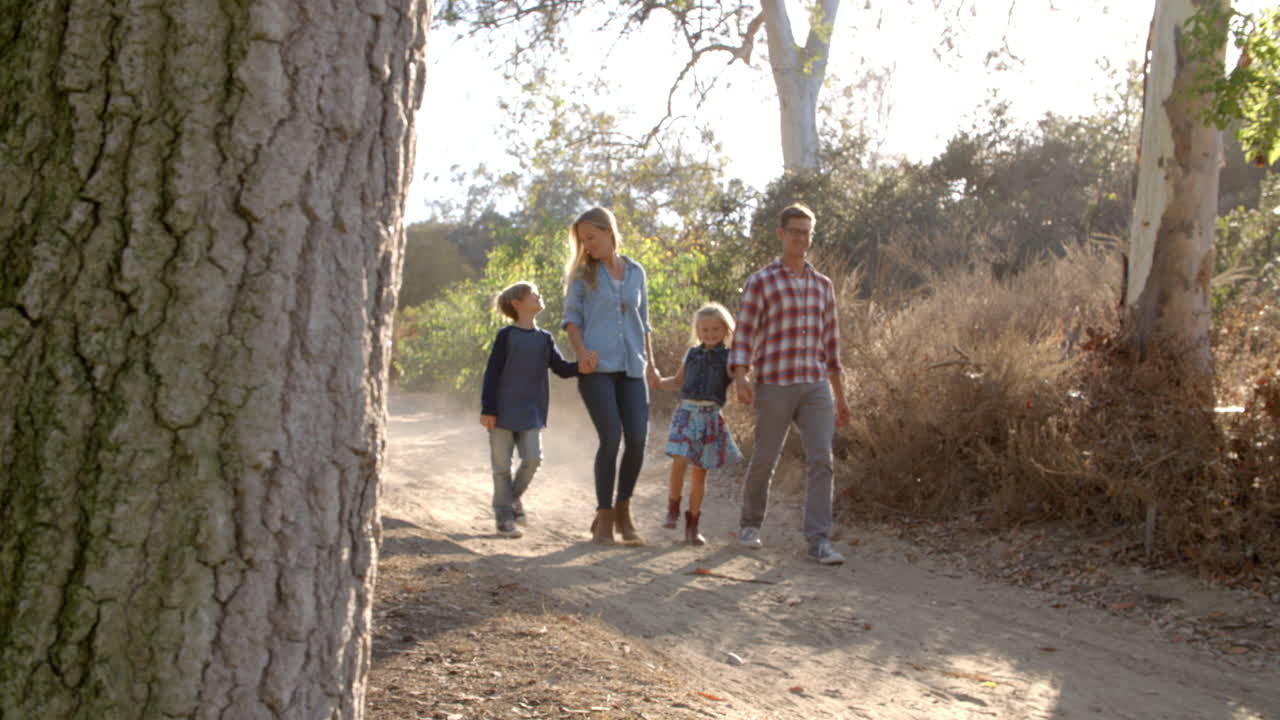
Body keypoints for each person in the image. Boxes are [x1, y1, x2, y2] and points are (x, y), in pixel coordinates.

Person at [730, 203, 852, 565]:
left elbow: (831, 345)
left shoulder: (822, 286)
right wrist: (740, 376)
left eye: (807, 232)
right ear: (781, 234)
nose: (801, 238)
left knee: (822, 460)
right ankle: (750, 525)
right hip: (775, 381)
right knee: (766, 458)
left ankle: (819, 541)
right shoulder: (761, 281)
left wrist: (840, 396)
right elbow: (744, 333)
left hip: (815, 385)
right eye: (795, 231)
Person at [562, 206, 661, 545]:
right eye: (582, 240)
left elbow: (643, 322)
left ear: (609, 232)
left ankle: (623, 511)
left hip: (633, 367)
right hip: (596, 368)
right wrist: (580, 352)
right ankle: (604, 518)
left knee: (637, 439)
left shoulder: (636, 272)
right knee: (611, 437)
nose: (587, 245)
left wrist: (652, 365)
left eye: (591, 237)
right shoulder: (581, 275)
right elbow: (571, 318)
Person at [480, 281, 595, 538]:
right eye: (533, 294)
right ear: (517, 304)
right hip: (501, 412)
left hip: (531, 411)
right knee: (501, 468)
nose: (539, 295)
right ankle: (504, 519)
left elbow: (561, 368)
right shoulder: (506, 336)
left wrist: (581, 366)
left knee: (533, 459)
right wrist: (488, 408)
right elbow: (492, 374)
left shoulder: (544, 339)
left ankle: (510, 499)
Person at [656, 302, 743, 545]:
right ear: (698, 331)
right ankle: (673, 507)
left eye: (716, 329)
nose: (710, 334)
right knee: (679, 460)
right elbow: (677, 381)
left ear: (726, 330)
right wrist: (657, 381)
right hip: (686, 413)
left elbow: (742, 380)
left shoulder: (730, 358)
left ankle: (692, 526)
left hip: (709, 416)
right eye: (705, 330)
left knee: (699, 474)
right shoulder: (691, 354)